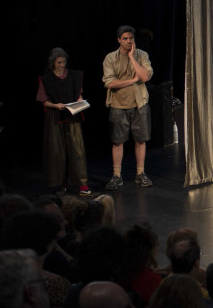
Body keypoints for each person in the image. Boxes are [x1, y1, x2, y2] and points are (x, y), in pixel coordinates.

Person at [101, 25, 153, 190]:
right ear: (119, 40)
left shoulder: (141, 55)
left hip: (139, 104)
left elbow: (145, 76)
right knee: (117, 142)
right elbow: (109, 83)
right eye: (125, 39)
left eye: (131, 38)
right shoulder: (110, 58)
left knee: (140, 139)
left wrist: (132, 57)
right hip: (118, 105)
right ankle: (117, 176)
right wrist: (131, 81)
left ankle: (140, 173)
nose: (128, 41)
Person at [37, 47, 90, 197]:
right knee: (57, 152)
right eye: (59, 62)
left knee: (77, 150)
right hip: (55, 117)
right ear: (53, 63)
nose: (62, 65)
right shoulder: (46, 79)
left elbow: (79, 93)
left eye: (64, 62)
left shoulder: (73, 75)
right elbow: (44, 101)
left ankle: (82, 184)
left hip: (72, 116)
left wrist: (79, 100)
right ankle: (61, 183)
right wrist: (55, 105)